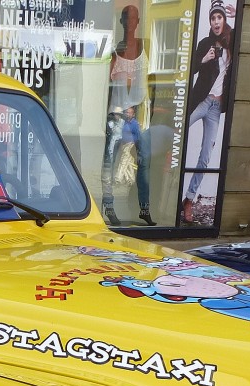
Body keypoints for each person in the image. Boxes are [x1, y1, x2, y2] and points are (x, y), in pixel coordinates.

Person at [182, 0, 235, 225]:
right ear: (210, 21)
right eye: (213, 18)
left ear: (224, 20)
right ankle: (168, 191)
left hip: (216, 107)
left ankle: (189, 200)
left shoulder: (230, 42)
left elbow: (244, 39)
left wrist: (235, 16)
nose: (216, 22)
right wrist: (203, 59)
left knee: (205, 157)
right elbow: (190, 68)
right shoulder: (205, 43)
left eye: (219, 18)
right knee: (180, 135)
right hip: (201, 101)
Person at [100, 4, 150, 225]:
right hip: (117, 115)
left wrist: (140, 112)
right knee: (109, 162)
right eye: (126, 19)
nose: (130, 23)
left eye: (133, 19)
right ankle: (109, 206)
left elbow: (144, 86)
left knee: (144, 161)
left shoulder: (141, 50)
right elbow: (106, 87)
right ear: (121, 22)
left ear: (138, 22)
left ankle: (144, 208)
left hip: (136, 115)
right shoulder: (115, 52)